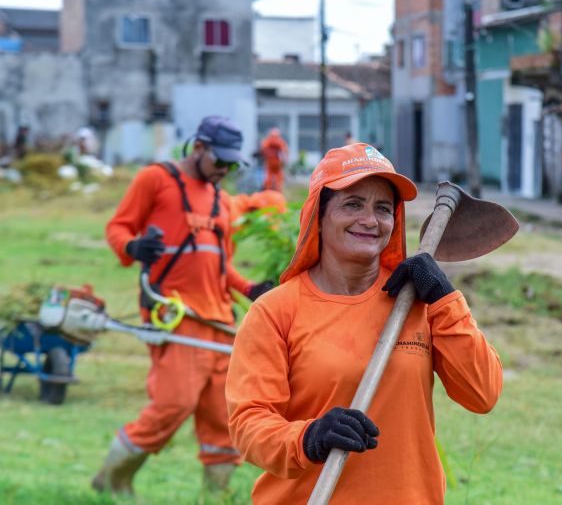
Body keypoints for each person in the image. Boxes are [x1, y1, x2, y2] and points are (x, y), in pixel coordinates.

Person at [226, 143, 503, 504]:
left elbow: (482, 393)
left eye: (383, 209)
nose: (370, 220)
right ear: (318, 215)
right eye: (353, 204)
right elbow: (248, 425)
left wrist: (445, 298)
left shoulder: (417, 302)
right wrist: (309, 438)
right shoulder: (276, 311)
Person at [93, 116, 273, 496]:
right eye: (219, 160)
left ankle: (215, 497)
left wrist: (252, 288)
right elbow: (117, 228)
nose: (224, 169)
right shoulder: (155, 179)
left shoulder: (220, 200)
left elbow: (219, 266)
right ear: (198, 147)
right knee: (172, 405)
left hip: (221, 322)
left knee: (223, 417)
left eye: (231, 163)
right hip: (177, 317)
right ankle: (111, 481)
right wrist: (133, 247)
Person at [259, 128, 289, 192]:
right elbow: (285, 152)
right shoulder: (281, 141)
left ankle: (267, 190)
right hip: (278, 163)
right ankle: (278, 191)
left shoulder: (267, 141)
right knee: (278, 177)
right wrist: (285, 162)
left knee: (268, 176)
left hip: (269, 162)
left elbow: (263, 150)